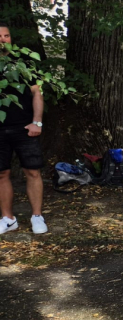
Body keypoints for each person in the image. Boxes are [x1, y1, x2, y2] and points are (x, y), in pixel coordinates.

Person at [0, 24, 47, 235]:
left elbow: (37, 93)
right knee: (1, 174)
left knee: (33, 171)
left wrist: (37, 121)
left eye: (6, 35)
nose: (3, 39)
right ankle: (8, 219)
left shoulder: (24, 63)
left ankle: (37, 216)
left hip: (24, 127)